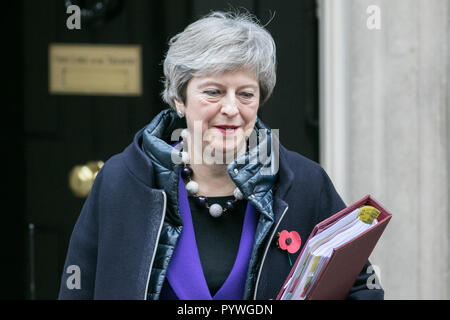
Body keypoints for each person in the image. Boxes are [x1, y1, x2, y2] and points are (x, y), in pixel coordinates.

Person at [58, 10, 383, 300]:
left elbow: (363, 286)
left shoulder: (303, 183)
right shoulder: (122, 180)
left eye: (245, 94)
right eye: (213, 91)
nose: (231, 109)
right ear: (179, 99)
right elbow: (78, 289)